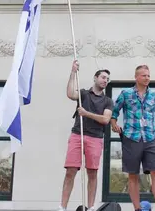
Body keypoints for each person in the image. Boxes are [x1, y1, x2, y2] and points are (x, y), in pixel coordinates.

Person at [59, 60, 113, 211]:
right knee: (70, 171)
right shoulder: (83, 94)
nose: (105, 81)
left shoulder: (107, 101)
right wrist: (73, 72)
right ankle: (62, 207)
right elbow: (70, 93)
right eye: (103, 77)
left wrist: (86, 113)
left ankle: (91, 208)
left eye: (107, 79)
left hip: (95, 138)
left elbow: (105, 119)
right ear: (95, 78)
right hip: (77, 134)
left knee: (92, 172)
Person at [111, 65, 155, 211]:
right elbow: (114, 112)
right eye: (144, 75)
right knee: (133, 175)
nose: (147, 78)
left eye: (148, 75)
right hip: (131, 138)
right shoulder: (126, 93)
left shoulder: (154, 96)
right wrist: (114, 124)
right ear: (136, 77)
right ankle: (137, 209)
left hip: (150, 138)